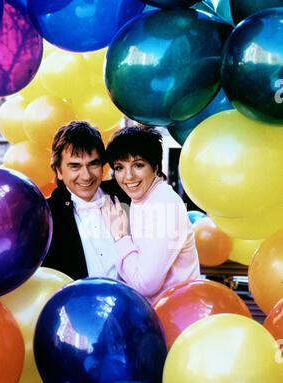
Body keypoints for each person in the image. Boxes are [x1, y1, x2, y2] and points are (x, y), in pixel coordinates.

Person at [104, 125, 200, 304]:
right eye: (119, 167)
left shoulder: (164, 204)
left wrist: (120, 237)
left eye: (138, 165)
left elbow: (146, 285)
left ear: (155, 167)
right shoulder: (142, 199)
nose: (128, 176)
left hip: (177, 318)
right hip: (161, 315)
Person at [42, 121, 130, 280]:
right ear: (59, 171)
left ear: (103, 166)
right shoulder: (45, 216)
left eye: (93, 164)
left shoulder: (128, 194)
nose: (86, 175)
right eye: (75, 166)